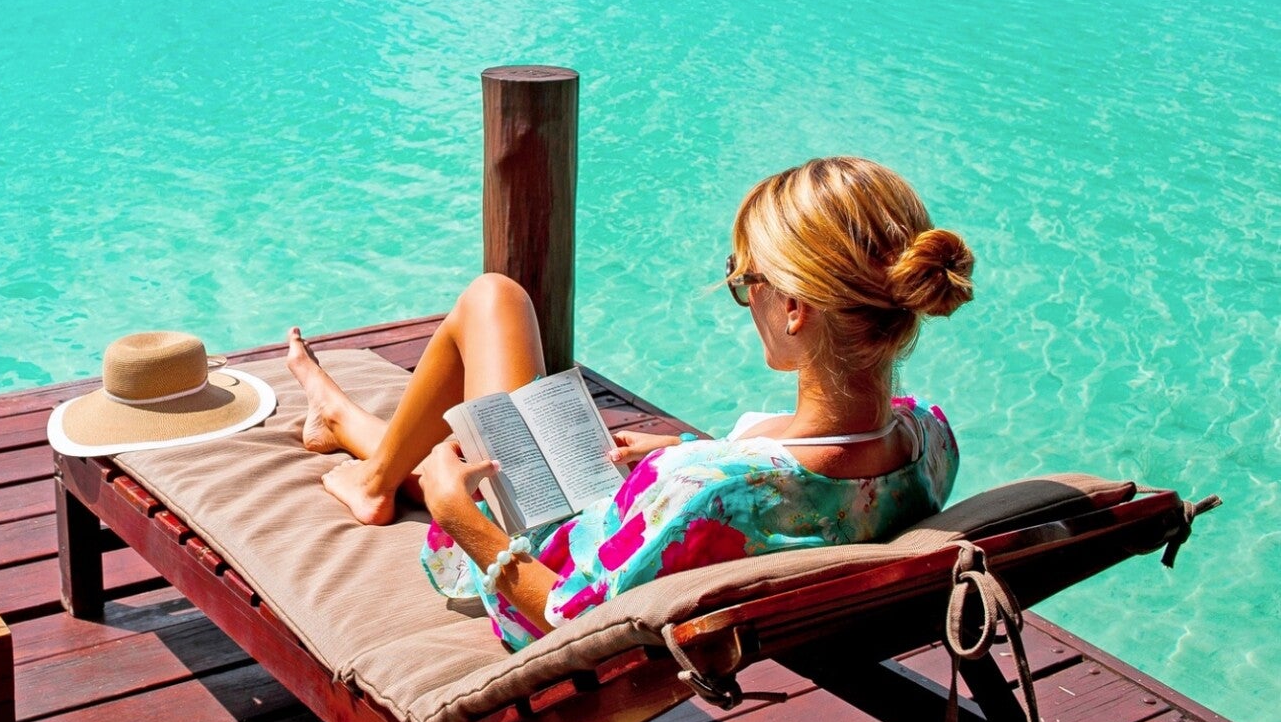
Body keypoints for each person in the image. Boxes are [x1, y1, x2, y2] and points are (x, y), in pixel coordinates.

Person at [285, 156, 970, 650]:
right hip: (653, 533)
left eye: (746, 280)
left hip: (552, 555)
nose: (745, 296)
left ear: (794, 307)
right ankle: (353, 433)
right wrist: (685, 452)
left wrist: (457, 515)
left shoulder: (702, 492)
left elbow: (570, 620)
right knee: (484, 407)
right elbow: (800, 490)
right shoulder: (929, 441)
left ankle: (373, 477)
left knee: (493, 300)